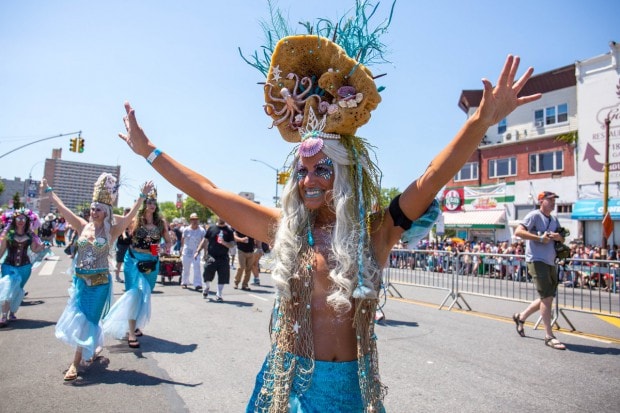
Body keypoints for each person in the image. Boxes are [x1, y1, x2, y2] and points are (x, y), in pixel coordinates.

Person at [118, 7, 540, 409]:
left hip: (348, 390)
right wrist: (148, 151)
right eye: (301, 172)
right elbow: (209, 191)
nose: (309, 180)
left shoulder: (376, 232)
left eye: (322, 168)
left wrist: (481, 121)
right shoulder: (282, 229)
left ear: (346, 173)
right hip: (288, 386)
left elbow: (430, 178)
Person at [46, 174, 152, 381]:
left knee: (88, 320)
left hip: (99, 284)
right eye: (92, 209)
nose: (93, 212)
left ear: (106, 212)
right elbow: (63, 209)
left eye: (98, 209)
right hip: (80, 283)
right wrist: (50, 193)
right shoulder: (81, 226)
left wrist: (142, 197)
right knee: (80, 319)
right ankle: (90, 349)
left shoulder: (112, 231)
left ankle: (75, 364)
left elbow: (131, 216)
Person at [102, 187, 172, 349]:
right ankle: (131, 333)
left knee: (144, 295)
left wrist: (164, 247)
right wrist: (104, 207)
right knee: (133, 293)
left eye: (154, 202)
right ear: (143, 204)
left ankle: (134, 325)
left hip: (151, 262)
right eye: (148, 202)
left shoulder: (161, 223)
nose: (152, 205)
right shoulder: (134, 220)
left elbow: (168, 241)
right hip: (133, 260)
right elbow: (114, 218)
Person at [512, 191, 566, 350]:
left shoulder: (554, 219)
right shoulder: (534, 215)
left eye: (554, 200)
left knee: (546, 297)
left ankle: (521, 317)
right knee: (547, 297)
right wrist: (539, 238)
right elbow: (518, 232)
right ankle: (549, 336)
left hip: (550, 261)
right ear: (541, 201)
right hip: (537, 260)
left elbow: (562, 237)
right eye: (550, 200)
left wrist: (558, 237)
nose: (553, 202)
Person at [0, 208, 49, 327]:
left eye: (23, 218)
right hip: (8, 265)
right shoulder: (8, 233)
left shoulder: (30, 234)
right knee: (7, 288)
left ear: (27, 220)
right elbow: (2, 250)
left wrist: (42, 247)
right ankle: (3, 316)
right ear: (14, 219)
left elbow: (34, 249)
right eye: (18, 218)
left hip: (25, 268)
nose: (21, 220)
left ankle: (12, 312)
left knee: (17, 290)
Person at [197, 218, 234, 301]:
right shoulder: (211, 228)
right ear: (217, 217)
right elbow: (205, 240)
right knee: (207, 271)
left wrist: (224, 243)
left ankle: (219, 294)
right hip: (211, 255)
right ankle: (206, 287)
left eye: (224, 216)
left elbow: (233, 244)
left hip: (223, 256)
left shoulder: (229, 230)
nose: (222, 218)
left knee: (223, 275)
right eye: (220, 216)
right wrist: (198, 250)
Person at [181, 212, 206, 290]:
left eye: (196, 219)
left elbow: (204, 241)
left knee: (197, 267)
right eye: (192, 219)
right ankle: (184, 282)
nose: (194, 221)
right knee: (186, 268)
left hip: (196, 252)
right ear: (190, 220)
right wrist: (181, 249)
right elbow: (182, 239)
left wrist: (205, 253)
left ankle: (198, 284)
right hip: (187, 251)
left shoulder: (202, 230)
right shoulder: (186, 230)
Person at [114, 207, 132, 283]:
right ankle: (117, 276)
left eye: (129, 212)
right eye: (126, 212)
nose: (127, 214)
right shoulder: (121, 220)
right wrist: (124, 235)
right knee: (120, 260)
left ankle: (129, 277)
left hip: (130, 243)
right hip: (121, 243)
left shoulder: (132, 221)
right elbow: (122, 230)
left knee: (129, 261)